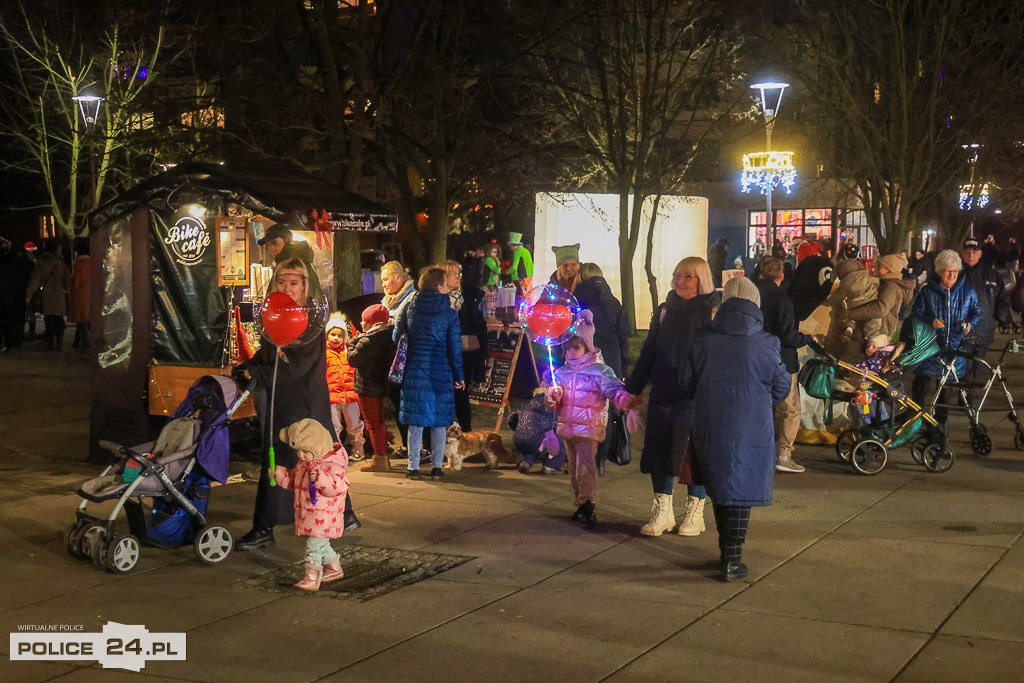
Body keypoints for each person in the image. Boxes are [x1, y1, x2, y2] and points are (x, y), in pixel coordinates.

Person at [234, 258, 359, 550]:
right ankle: (346, 512)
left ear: (304, 285)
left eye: (294, 283)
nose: (287, 288)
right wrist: (249, 367)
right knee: (317, 460)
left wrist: (259, 373)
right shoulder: (275, 313)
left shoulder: (311, 319)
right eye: (281, 282)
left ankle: (264, 526)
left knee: (286, 459)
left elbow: (296, 366)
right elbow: (268, 354)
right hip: (285, 399)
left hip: (303, 402)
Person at [679, 276, 791, 581]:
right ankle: (731, 558)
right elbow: (781, 387)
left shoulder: (703, 338)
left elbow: (686, 383)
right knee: (740, 488)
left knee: (720, 486)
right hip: (752, 428)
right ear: (755, 305)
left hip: (710, 424)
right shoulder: (767, 342)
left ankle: (725, 555)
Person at [622, 257, 720, 538]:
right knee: (659, 452)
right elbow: (649, 353)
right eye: (677, 275)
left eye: (688, 276)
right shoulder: (665, 311)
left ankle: (695, 511)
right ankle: (662, 510)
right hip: (664, 393)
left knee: (694, 455)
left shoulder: (712, 313)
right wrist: (634, 389)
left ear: (702, 279)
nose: (680, 281)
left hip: (696, 397)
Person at [545, 329, 635, 529]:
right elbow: (554, 404)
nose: (571, 352)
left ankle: (588, 503)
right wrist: (552, 397)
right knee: (574, 469)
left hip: (588, 429)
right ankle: (581, 501)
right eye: (567, 348)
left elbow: (615, 391)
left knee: (585, 467)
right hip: (568, 428)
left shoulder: (600, 371)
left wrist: (628, 401)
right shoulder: (561, 373)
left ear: (587, 346)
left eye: (575, 347)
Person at [395, 267, 464, 480]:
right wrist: (458, 375)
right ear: (439, 286)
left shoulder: (409, 306)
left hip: (414, 368)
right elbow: (454, 348)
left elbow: (397, 335)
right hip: (440, 370)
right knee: (439, 421)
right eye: (444, 283)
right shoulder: (449, 314)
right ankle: (436, 466)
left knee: (415, 422)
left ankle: (413, 467)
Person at [906, 249, 982, 424]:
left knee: (945, 391)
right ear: (940, 271)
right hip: (930, 347)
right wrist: (930, 322)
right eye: (948, 271)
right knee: (921, 385)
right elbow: (915, 316)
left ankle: (940, 426)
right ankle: (915, 421)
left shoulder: (968, 292)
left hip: (954, 349)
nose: (952, 275)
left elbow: (976, 313)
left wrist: (969, 325)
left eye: (955, 271)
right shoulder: (927, 292)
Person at [273, 418, 350, 591]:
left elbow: (336, 488)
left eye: (305, 451)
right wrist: (281, 475)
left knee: (313, 546)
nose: (301, 455)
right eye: (299, 451)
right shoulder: (305, 464)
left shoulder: (332, 466)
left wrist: (321, 479)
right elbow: (294, 482)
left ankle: (312, 577)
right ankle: (334, 568)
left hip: (325, 516)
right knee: (321, 544)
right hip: (313, 515)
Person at [755, 257, 815, 474]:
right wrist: (808, 338)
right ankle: (784, 454)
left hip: (754, 359)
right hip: (782, 361)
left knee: (762, 408)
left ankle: (759, 451)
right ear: (781, 276)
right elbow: (789, 336)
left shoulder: (749, 295)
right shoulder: (782, 299)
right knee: (789, 409)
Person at [347, 304, 397, 473]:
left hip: (367, 386)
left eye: (364, 320)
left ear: (373, 322)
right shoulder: (389, 336)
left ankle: (380, 458)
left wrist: (353, 340)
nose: (361, 323)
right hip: (381, 385)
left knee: (372, 424)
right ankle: (381, 456)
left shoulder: (367, 341)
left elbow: (353, 360)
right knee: (380, 422)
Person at [440, 259, 487, 432]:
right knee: (445, 396)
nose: (458, 277)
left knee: (462, 394)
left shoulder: (470, 295)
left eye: (459, 273)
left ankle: (466, 433)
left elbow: (480, 324)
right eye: (453, 274)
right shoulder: (436, 299)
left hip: (465, 353)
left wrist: (483, 353)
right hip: (442, 354)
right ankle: (443, 437)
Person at [845, 253, 915, 340]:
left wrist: (850, 314)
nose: (876, 269)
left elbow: (879, 310)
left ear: (888, 269)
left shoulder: (891, 288)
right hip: (875, 327)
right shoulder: (884, 283)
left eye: (879, 266)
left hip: (879, 331)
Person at [960, 237, 1010, 360]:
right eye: (967, 252)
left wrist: (997, 320)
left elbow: (1003, 299)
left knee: (977, 365)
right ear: (962, 254)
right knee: (961, 368)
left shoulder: (992, 274)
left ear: (980, 254)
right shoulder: (955, 273)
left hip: (985, 331)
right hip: (961, 331)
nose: (971, 255)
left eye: (974, 252)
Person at [824, 256, 879, 363]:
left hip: (859, 314)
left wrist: (822, 303)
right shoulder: (866, 277)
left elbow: (835, 299)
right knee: (865, 337)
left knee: (856, 339)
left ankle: (847, 363)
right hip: (871, 311)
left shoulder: (849, 285)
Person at [325, 313, 365, 462]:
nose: (336, 338)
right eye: (332, 335)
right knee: (334, 426)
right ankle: (336, 451)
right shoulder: (324, 353)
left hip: (349, 395)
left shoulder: (349, 352)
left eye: (339, 336)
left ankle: (358, 447)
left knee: (354, 424)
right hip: (332, 396)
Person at [25, 238, 69, 351]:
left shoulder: (41, 262)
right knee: (58, 319)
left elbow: (35, 280)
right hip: (58, 294)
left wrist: (28, 295)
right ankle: (59, 343)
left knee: (48, 320)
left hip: (46, 295)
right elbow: (67, 281)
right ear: (55, 249)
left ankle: (50, 343)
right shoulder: (61, 263)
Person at [0, 242, 33, 352]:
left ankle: (7, 343)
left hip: (5, 296)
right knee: (17, 321)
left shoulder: (4, 261)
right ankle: (15, 343)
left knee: (5, 321)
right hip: (19, 296)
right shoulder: (24, 262)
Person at [68, 238, 91, 350]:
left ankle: (85, 343)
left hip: (80, 295)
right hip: (91, 294)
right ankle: (77, 341)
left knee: (81, 320)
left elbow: (76, 283)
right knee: (87, 319)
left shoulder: (78, 264)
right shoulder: (93, 263)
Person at [481, 244, 502, 320]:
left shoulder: (495, 260)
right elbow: (496, 270)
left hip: (493, 283)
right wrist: (499, 268)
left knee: (493, 302)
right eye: (493, 252)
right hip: (489, 283)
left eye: (495, 252)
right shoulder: (489, 260)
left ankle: (492, 317)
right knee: (489, 302)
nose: (494, 254)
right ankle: (489, 317)